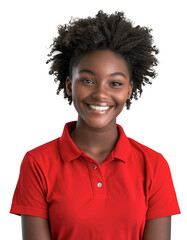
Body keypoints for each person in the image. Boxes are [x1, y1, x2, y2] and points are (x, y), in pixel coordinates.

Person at [10, 10, 180, 240]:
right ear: (70, 85)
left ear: (129, 89)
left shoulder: (154, 166)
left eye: (115, 83)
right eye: (88, 80)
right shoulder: (37, 163)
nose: (101, 94)